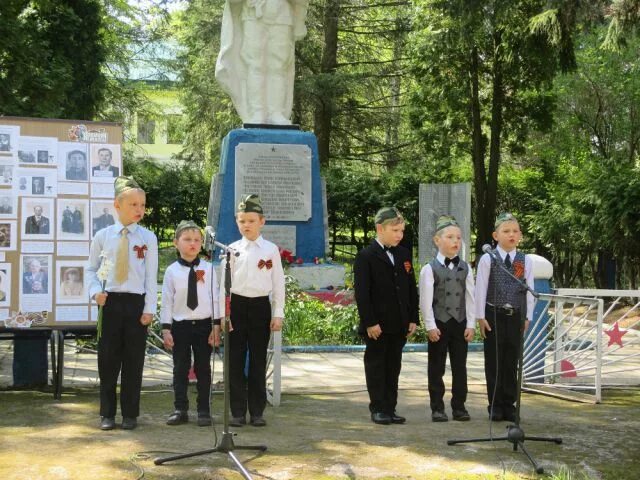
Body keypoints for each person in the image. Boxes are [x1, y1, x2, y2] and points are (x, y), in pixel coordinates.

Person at [87, 176, 158, 431]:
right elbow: (91, 270)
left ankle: (130, 414)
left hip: (136, 305)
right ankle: (107, 413)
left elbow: (151, 276)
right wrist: (96, 292)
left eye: (142, 205)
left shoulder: (148, 238)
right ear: (117, 205)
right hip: (111, 303)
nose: (140, 210)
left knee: (133, 360)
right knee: (108, 360)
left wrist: (150, 308)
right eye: (134, 205)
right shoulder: (103, 236)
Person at [222, 194, 285, 427]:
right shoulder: (231, 249)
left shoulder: (270, 250)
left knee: (258, 360)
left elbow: (278, 282)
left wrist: (278, 313)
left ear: (262, 222)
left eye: (250, 220)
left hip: (260, 306)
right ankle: (237, 412)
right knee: (235, 361)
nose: (246, 225)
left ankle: (257, 411)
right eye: (241, 221)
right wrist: (223, 315)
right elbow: (224, 287)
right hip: (236, 307)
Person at [354, 207, 419, 425]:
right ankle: (378, 408)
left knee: (393, 367)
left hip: (398, 322)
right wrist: (370, 322)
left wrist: (412, 318)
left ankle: (391, 407)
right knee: (376, 366)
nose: (400, 235)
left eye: (402, 230)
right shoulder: (366, 256)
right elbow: (363, 294)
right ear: (380, 228)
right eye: (395, 230)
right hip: (378, 325)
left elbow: (411, 288)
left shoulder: (403, 253)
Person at [161, 221, 221, 427]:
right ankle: (180, 408)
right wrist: (166, 328)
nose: (192, 244)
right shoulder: (171, 271)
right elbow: (167, 300)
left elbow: (215, 297)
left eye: (197, 240)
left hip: (204, 325)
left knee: (203, 368)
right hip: (181, 325)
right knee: (180, 368)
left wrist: (216, 326)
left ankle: (204, 409)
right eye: (187, 240)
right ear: (176, 242)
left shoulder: (209, 269)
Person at [476, 212, 535, 422]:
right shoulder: (488, 258)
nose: (511, 235)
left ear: (520, 235)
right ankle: (495, 405)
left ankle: (510, 404)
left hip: (516, 316)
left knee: (511, 360)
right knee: (494, 361)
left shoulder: (524, 259)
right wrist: (480, 316)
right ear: (495, 235)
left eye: (515, 231)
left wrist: (528, 316)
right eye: (506, 231)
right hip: (494, 314)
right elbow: (481, 288)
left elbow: (530, 288)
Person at [419, 215, 475, 423]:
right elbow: (425, 300)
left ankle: (459, 406)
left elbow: (471, 297)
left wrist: (470, 324)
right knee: (437, 366)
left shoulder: (466, 268)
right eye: (450, 237)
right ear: (437, 240)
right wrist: (430, 325)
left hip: (460, 323)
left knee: (460, 367)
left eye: (459, 238)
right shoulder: (429, 269)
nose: (455, 242)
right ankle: (437, 407)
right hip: (440, 324)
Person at [216, 0, 309, 125]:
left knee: (278, 66)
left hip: (282, 15)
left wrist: (300, 20)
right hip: (253, 14)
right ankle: (257, 112)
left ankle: (276, 113)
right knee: (255, 65)